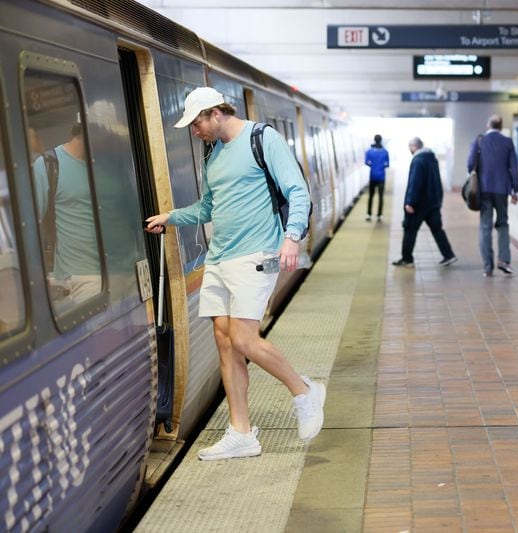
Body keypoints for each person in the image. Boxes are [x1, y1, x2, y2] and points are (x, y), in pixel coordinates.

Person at [145, 87, 325, 460]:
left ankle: (304, 391)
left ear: (215, 113)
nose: (194, 132)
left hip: (256, 255)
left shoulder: (263, 138)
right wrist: (172, 218)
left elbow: (297, 191)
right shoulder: (212, 154)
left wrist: (292, 239)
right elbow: (209, 207)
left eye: (196, 123)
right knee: (225, 342)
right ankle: (241, 433)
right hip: (220, 259)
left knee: (244, 339)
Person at [32, 123, 102, 306]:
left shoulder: (103, 164)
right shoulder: (48, 165)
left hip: (106, 274)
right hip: (70, 278)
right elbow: (30, 222)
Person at [467, 115, 518, 277]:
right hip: (502, 190)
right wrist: (515, 191)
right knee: (503, 224)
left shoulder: (480, 141)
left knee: (485, 227)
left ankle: (487, 267)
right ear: (501, 126)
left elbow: (470, 165)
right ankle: (504, 261)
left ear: (488, 125)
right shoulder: (508, 142)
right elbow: (513, 168)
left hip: (483, 190)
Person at [392, 137, 456, 268]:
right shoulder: (432, 159)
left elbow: (415, 183)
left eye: (410, 147)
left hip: (419, 204)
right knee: (437, 230)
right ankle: (449, 255)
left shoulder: (418, 160)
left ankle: (407, 259)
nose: (409, 149)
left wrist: (410, 202)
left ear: (414, 146)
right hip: (433, 203)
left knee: (409, 229)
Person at [364, 134, 389, 222]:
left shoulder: (369, 151)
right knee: (381, 196)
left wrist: (373, 166)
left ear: (374, 140)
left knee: (371, 196)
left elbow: (367, 162)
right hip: (381, 177)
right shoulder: (385, 152)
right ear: (381, 140)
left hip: (372, 176)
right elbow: (387, 164)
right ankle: (379, 215)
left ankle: (369, 214)